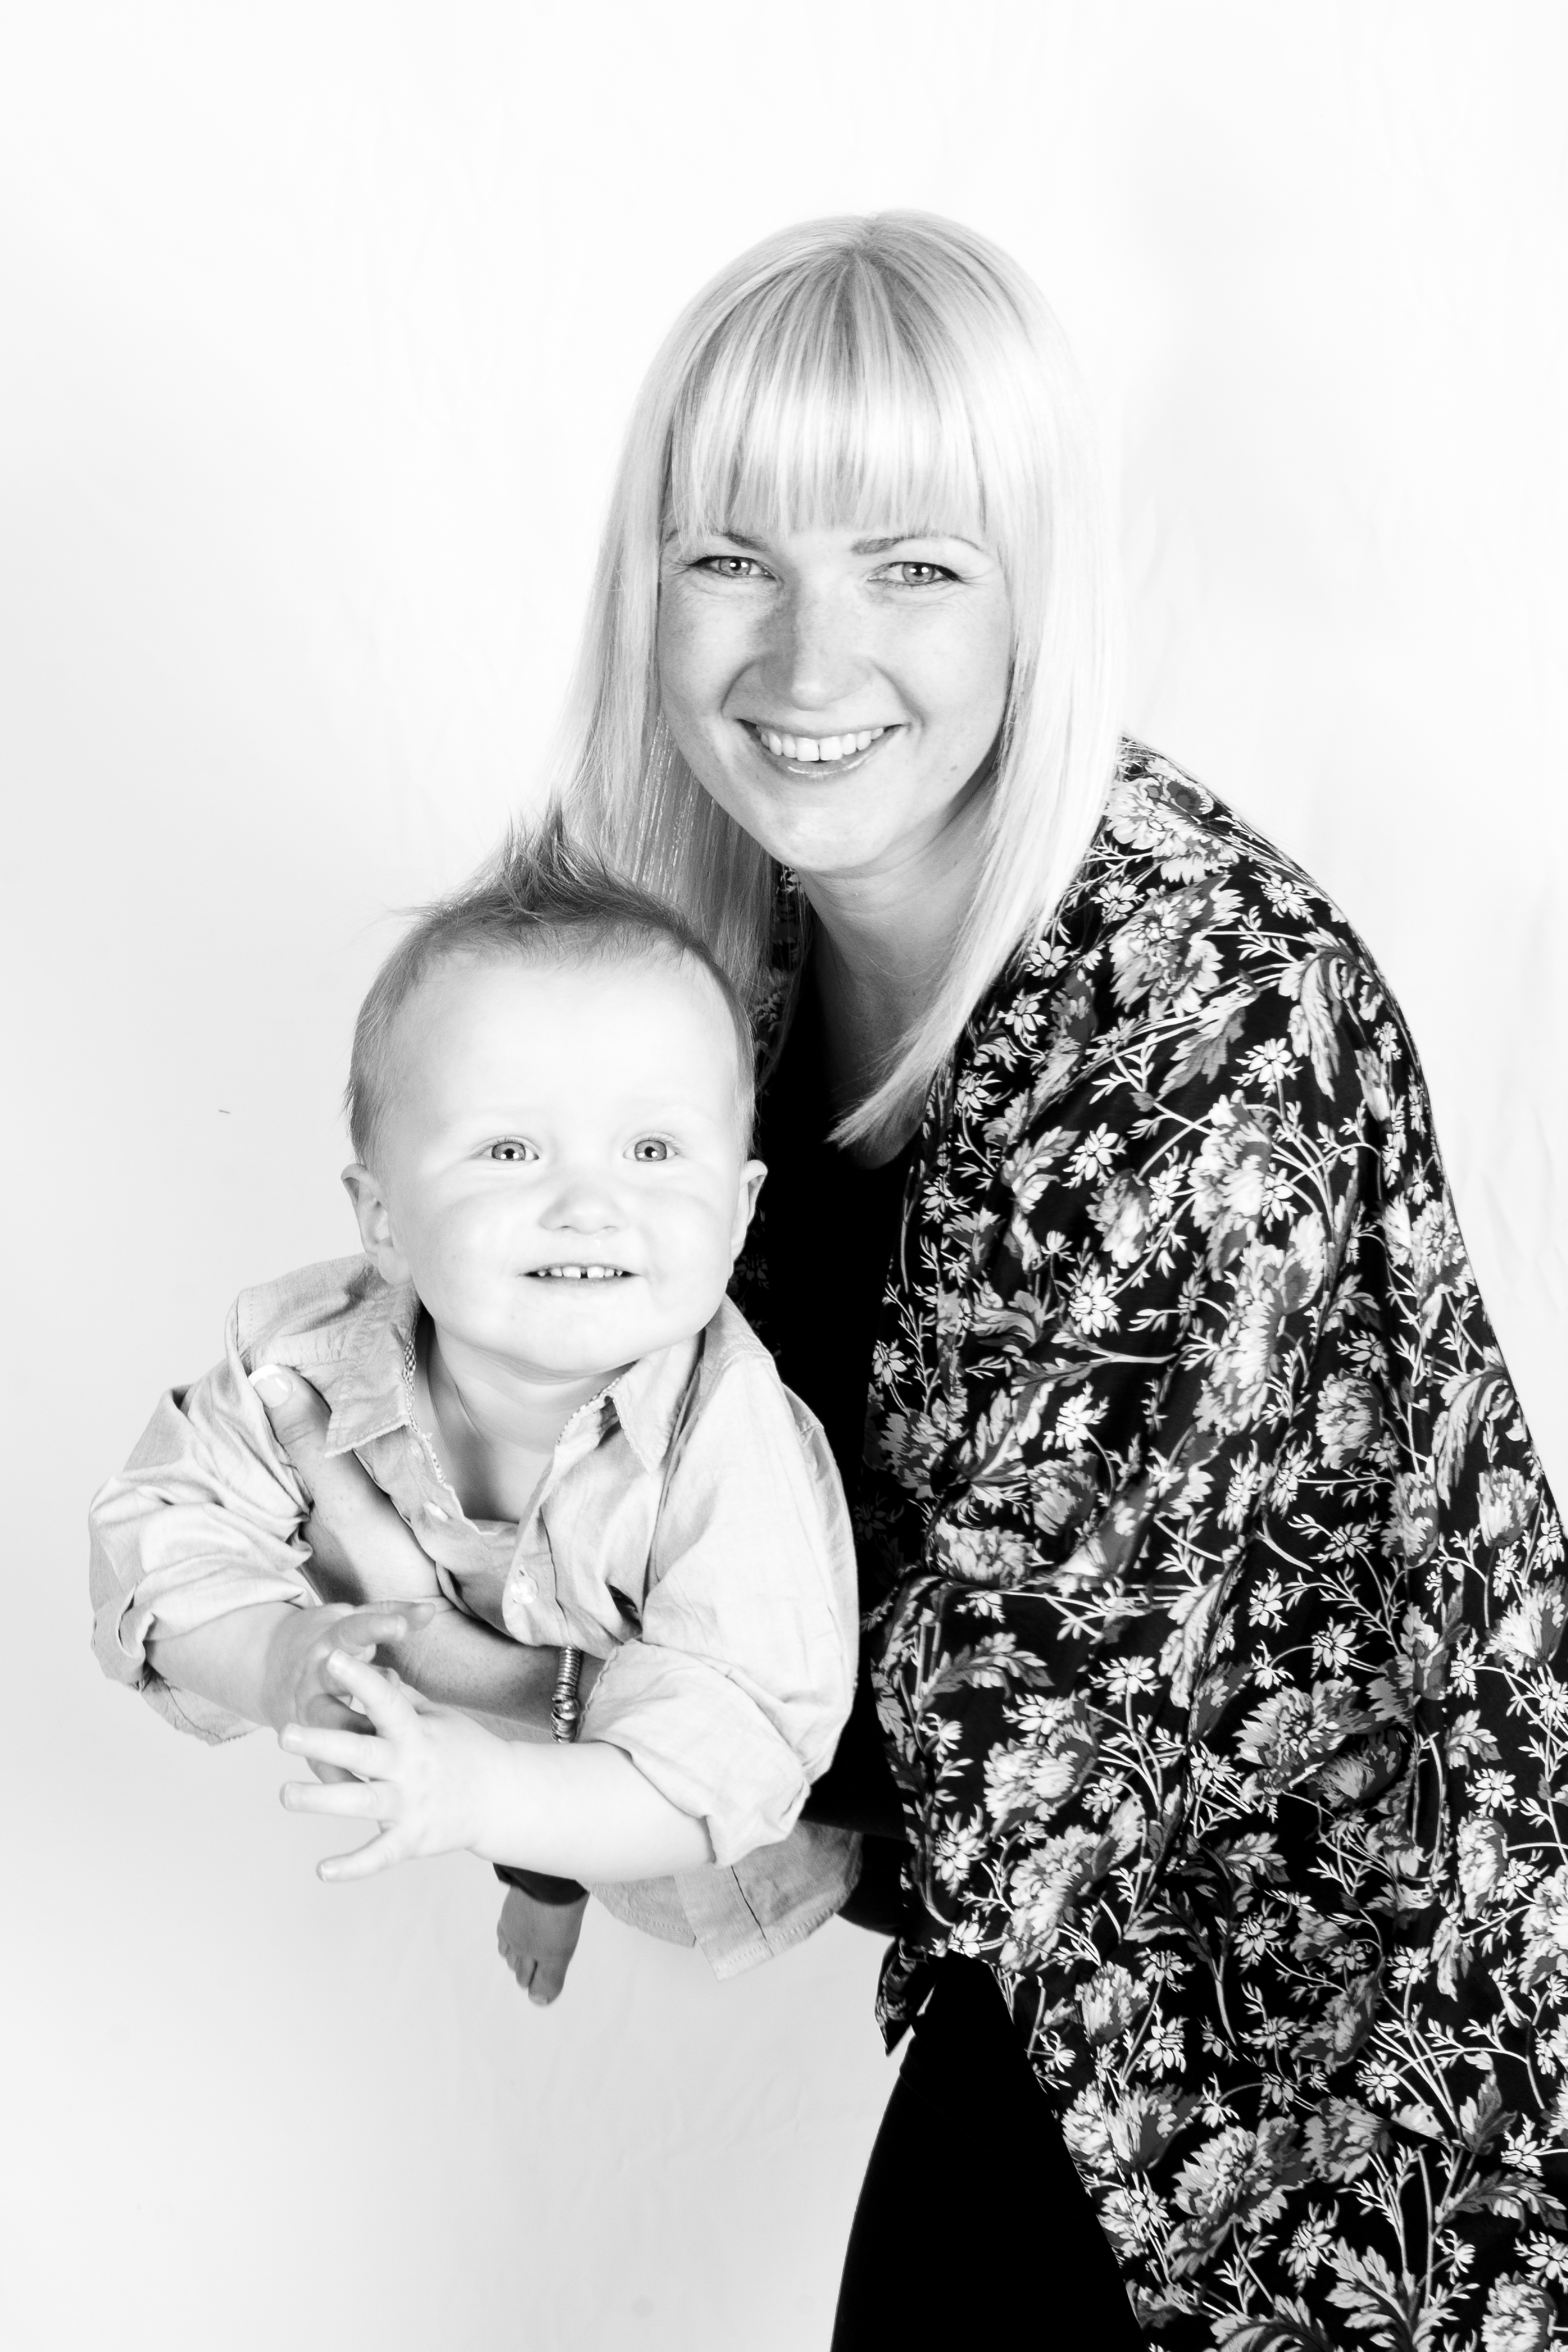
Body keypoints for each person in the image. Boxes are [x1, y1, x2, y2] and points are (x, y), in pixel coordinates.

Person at [140, 210, 1567, 2350]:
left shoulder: (1210, 1026)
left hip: (1356, 2071)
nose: (808, 668)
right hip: (1053, 2002)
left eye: (912, 566)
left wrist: (462, 1685)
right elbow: (498, 1393)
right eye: (733, 558)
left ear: (1034, 598)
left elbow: (979, 1772)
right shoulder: (700, 972)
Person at [88, 837, 861, 1970]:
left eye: (652, 1147)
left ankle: (544, 1872)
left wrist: (495, 1801)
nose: (589, 1201)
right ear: (383, 1218)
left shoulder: (733, 1445)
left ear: (741, 1210)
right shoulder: (303, 1357)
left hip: (691, 1832)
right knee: (520, 1789)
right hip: (492, 1723)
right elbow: (155, 1530)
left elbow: (733, 1748)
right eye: (509, 1148)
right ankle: (536, 1869)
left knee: (583, 1810)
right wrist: (277, 1655)